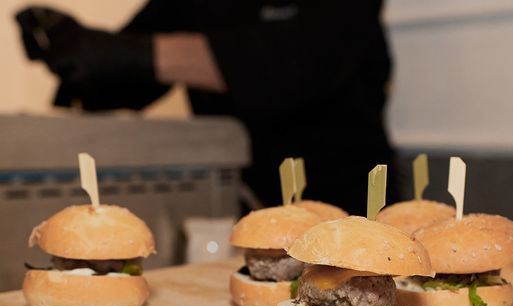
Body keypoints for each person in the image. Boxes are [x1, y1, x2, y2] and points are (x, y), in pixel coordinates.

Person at [16, 1, 396, 213]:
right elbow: (125, 76)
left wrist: (131, 53)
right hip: (239, 201)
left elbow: (296, 64)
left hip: (351, 200)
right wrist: (67, 49)